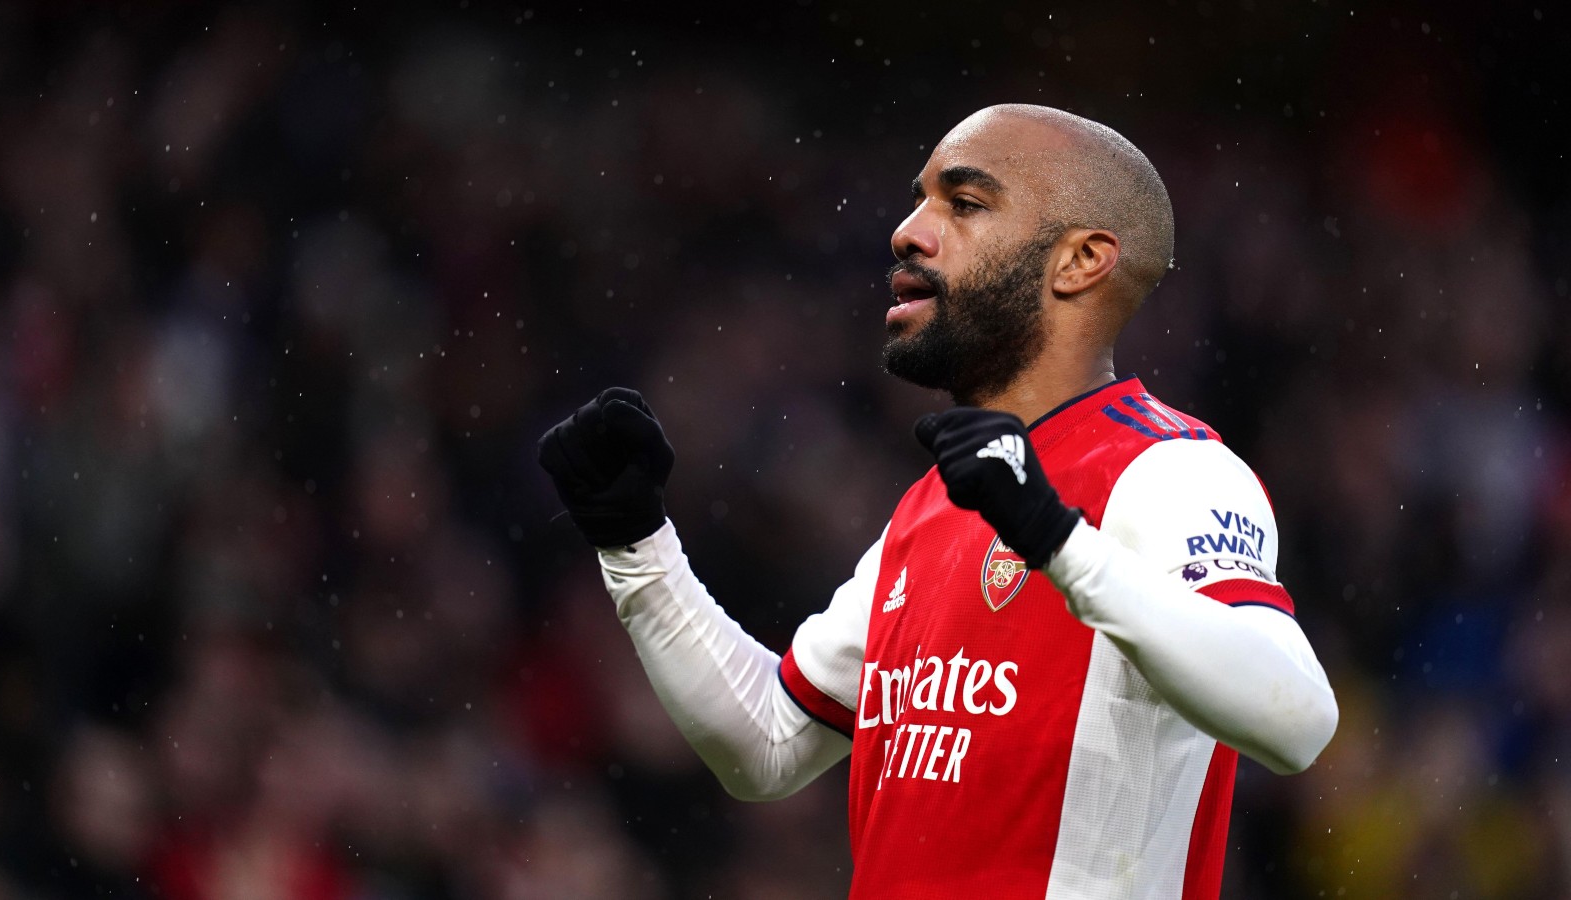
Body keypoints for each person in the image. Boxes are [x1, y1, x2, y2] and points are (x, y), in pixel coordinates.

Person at [537, 104, 1338, 899]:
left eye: (965, 203)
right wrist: (636, 545)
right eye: (919, 200)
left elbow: (1297, 719)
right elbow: (768, 744)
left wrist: (1059, 542)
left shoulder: (1170, 470)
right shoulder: (933, 506)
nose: (908, 232)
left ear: (1081, 260)